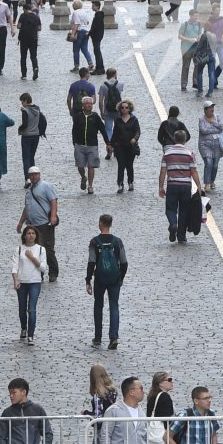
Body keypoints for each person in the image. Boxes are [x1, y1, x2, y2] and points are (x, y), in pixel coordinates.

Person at [86, 213, 127, 351]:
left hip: (100, 278)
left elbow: (91, 262)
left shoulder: (94, 242)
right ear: (110, 224)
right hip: (114, 278)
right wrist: (121, 277)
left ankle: (98, 337)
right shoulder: (117, 242)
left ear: (100, 224)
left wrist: (88, 280)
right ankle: (113, 337)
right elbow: (124, 262)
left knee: (98, 306)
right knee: (114, 306)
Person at [158, 126, 202, 244]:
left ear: (174, 139)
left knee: (170, 209)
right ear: (185, 139)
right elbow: (193, 171)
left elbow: (163, 171)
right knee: (184, 210)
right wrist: (198, 186)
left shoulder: (167, 154)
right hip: (186, 186)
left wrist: (161, 187)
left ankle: (173, 224)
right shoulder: (190, 154)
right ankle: (181, 236)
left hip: (172, 185)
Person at [18, 164, 60, 281]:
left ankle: (53, 272)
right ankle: (38, 273)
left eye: (36, 174)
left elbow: (53, 201)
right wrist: (21, 223)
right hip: (32, 225)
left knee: (48, 249)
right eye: (31, 175)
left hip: (45, 224)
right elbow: (26, 208)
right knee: (35, 250)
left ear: (39, 175)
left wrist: (53, 216)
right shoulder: (29, 191)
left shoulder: (46, 186)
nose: (33, 177)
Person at [12, 226, 45, 343]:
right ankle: (23, 328)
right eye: (28, 233)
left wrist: (32, 258)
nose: (31, 235)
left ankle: (31, 334)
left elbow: (43, 268)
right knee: (22, 309)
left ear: (36, 236)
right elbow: (15, 267)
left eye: (33, 233)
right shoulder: (19, 249)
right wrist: (16, 280)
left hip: (34, 283)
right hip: (22, 283)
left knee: (31, 309)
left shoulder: (41, 249)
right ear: (24, 236)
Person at [72, 95, 104, 195]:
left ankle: (90, 186)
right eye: (87, 104)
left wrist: (108, 143)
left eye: (90, 104)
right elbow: (74, 130)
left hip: (92, 145)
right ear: (83, 105)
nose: (89, 105)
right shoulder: (78, 117)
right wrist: (75, 143)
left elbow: (102, 129)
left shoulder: (95, 117)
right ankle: (83, 177)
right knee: (80, 166)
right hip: (80, 145)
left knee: (91, 166)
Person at [109, 100, 142, 194]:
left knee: (129, 165)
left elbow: (138, 131)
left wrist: (135, 139)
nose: (124, 109)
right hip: (120, 146)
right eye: (122, 107)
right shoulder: (117, 119)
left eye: (126, 107)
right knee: (121, 165)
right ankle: (120, 184)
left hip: (130, 146)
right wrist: (111, 145)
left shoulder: (134, 119)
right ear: (120, 109)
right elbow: (115, 133)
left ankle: (130, 182)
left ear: (129, 108)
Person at [197, 101, 223, 190]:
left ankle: (212, 181)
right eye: (210, 107)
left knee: (215, 165)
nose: (212, 109)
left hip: (216, 145)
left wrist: (213, 123)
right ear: (205, 110)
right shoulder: (201, 120)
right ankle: (206, 184)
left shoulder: (217, 117)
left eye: (212, 107)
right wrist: (215, 130)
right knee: (209, 163)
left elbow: (222, 127)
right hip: (205, 145)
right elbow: (203, 130)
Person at [16, 93, 46, 177]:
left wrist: (20, 128)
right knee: (32, 157)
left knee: (26, 158)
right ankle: (34, 177)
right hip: (36, 135)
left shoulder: (25, 111)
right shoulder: (37, 109)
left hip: (26, 137)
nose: (22, 104)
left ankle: (27, 178)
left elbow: (25, 124)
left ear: (25, 101)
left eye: (22, 102)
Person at [16, 2, 42, 80]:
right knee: (33, 56)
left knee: (23, 56)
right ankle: (35, 68)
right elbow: (39, 28)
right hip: (33, 39)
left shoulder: (22, 16)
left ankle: (24, 74)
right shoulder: (36, 17)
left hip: (23, 39)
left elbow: (18, 26)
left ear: (24, 9)